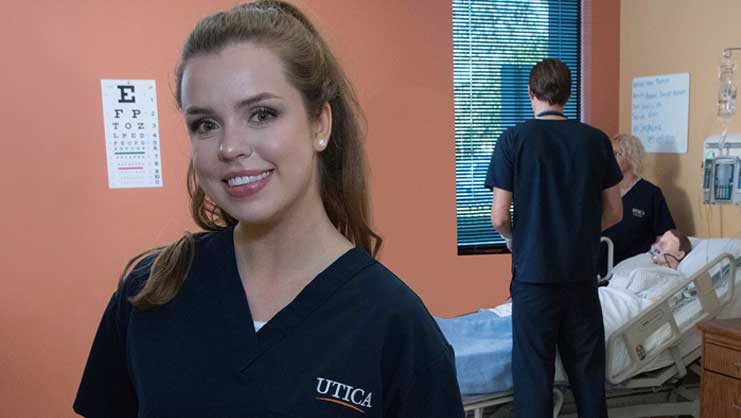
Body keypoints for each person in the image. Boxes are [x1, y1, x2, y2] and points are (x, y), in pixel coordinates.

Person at [73, 2, 464, 417]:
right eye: (205, 124)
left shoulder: (392, 324)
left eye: (261, 114)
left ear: (320, 125)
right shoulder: (149, 293)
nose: (230, 147)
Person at [485, 58, 623, 418]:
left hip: (534, 281)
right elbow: (614, 212)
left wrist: (516, 240)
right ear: (568, 93)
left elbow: (499, 217)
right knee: (589, 381)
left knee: (534, 382)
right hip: (580, 279)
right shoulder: (596, 141)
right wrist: (579, 234)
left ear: (531, 94)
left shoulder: (513, 140)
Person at [598, 133, 676, 276]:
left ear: (630, 156)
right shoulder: (601, 190)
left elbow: (664, 235)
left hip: (634, 270)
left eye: (616, 154)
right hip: (601, 267)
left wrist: (657, 262)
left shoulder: (650, 193)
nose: (610, 159)